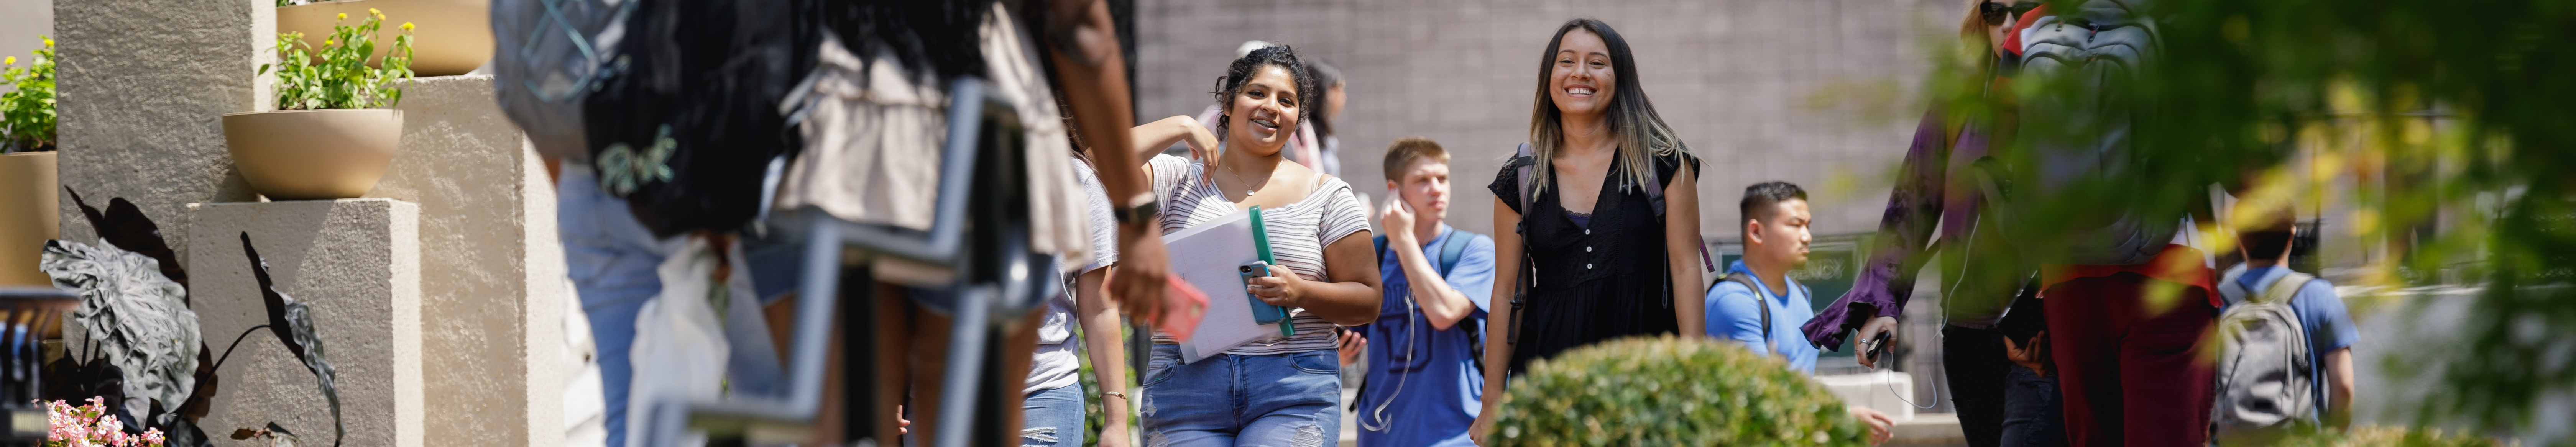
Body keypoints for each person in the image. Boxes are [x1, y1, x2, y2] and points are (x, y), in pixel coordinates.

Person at [1798, 2, 2053, 445]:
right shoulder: (1957, 104)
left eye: (2024, 7)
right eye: (1995, 11)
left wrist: (2043, 315)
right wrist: (1883, 307)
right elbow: (1909, 209)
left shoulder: (2076, 102)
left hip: (2045, 335)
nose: (2009, 24)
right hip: (1968, 337)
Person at [1126, 45, 1382, 447]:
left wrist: (1301, 292)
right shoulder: (1176, 178)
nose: (1272, 107)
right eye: (1257, 93)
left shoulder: (1327, 194)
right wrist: (1179, 126)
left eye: (1288, 100)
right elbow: (1093, 168)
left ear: (1299, 118)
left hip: (1293, 388)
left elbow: (1368, 299)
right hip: (1185, 384)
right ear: (1228, 103)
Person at [1473, 18, 1706, 444]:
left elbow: (1687, 269)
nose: (1580, 73)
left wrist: (1696, 375)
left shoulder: (1666, 163)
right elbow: (1507, 291)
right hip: (1547, 384)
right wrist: (1492, 400)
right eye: (1567, 61)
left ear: (1620, 79)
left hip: (1647, 381)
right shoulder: (1519, 177)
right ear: (1550, 78)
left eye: (1597, 63)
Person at [1705, 182, 1897, 444]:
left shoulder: (1800, 294)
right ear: (1756, 231)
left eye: (1808, 226)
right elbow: (1761, 400)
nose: (1807, 236)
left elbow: (1797, 382)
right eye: (1795, 225)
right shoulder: (1734, 300)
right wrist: (1841, 416)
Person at [1349, 137, 1496, 447]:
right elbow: (1341, 342)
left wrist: (1403, 241)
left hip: (1458, 435)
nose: (1437, 189)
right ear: (1395, 190)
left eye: (1442, 178)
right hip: (1380, 435)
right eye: (1422, 180)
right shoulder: (1371, 257)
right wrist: (1342, 350)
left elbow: (1444, 313)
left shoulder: (1474, 250)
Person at [1019, 154, 1134, 447]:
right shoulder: (917, 158)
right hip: (934, 391)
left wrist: (1117, 422)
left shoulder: (1074, 178)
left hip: (1040, 392)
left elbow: (1100, 306)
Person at [2217, 199, 2358, 433]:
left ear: (2239, 240)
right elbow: (2343, 386)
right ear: (2292, 235)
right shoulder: (2319, 294)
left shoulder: (2219, 301)